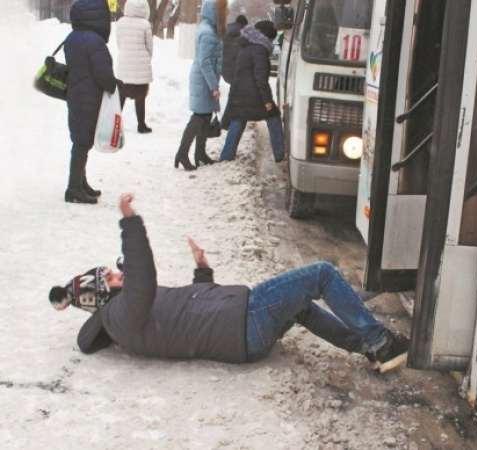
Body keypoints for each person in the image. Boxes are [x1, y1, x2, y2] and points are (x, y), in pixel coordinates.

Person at [49, 193, 410, 373]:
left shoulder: (126, 314)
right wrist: (130, 222)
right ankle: (381, 341)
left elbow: (186, 310)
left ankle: (368, 348)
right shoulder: (119, 316)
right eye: (110, 278)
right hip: (242, 322)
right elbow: (143, 280)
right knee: (321, 273)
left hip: (238, 330)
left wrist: (202, 272)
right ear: (100, 296)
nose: (118, 275)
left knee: (301, 306)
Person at [63, 0, 123, 204]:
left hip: (76, 96)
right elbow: (103, 74)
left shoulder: (72, 38)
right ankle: (73, 189)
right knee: (82, 143)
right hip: (89, 98)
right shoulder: (94, 41)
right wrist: (114, 85)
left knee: (81, 140)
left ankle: (80, 183)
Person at [218, 21, 285, 163]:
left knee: (238, 121)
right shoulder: (260, 49)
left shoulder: (245, 45)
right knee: (274, 118)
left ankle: (226, 156)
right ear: (267, 37)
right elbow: (260, 79)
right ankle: (280, 155)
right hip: (254, 95)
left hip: (239, 92)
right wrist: (267, 100)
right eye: (271, 39)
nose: (271, 42)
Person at [174, 0, 227, 171]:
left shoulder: (209, 29)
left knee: (204, 118)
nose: (225, 14)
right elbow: (205, 62)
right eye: (222, 11)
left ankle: (200, 154)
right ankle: (182, 153)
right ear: (214, 12)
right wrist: (214, 86)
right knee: (198, 118)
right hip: (203, 80)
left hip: (205, 79)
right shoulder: (208, 33)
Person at [116, 0, 154, 134]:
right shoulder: (145, 24)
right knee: (140, 97)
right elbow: (149, 46)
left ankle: (114, 123)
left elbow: (119, 43)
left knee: (121, 97)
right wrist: (146, 57)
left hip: (124, 66)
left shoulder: (121, 22)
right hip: (141, 65)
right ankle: (141, 125)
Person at [222, 14, 248, 85]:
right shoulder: (243, 36)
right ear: (244, 24)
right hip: (237, 71)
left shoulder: (225, 33)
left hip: (225, 70)